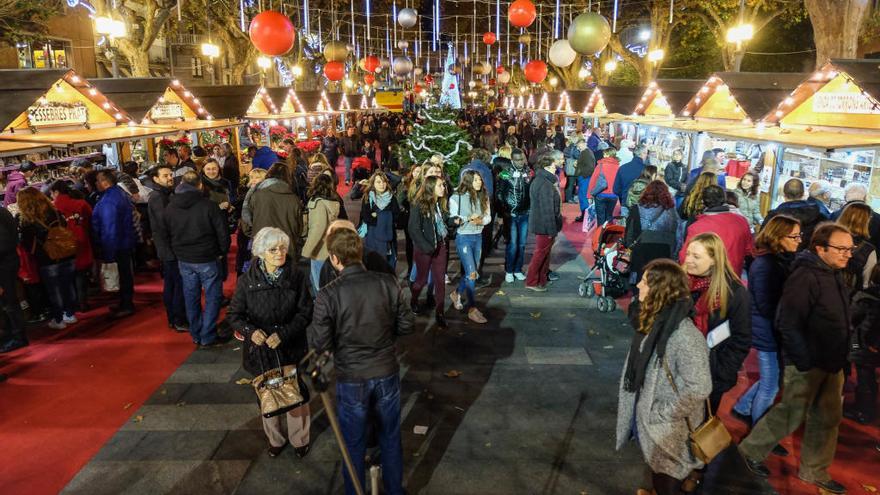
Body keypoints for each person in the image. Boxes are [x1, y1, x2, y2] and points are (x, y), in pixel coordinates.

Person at [739, 223, 854, 495]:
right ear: (820, 248)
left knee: (827, 420)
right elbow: (787, 321)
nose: (848, 254)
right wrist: (803, 360)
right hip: (808, 362)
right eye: (841, 249)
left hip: (831, 362)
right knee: (789, 414)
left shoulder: (834, 273)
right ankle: (748, 452)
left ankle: (815, 471)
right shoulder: (806, 276)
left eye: (850, 249)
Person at [307, 227, 413, 495]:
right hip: (385, 369)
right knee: (390, 437)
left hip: (352, 376)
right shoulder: (387, 282)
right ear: (359, 252)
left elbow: (320, 343)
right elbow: (407, 324)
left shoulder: (328, 294)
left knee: (353, 443)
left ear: (334, 258)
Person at [616, 259, 711, 495]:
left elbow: (700, 387)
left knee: (667, 477)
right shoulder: (654, 320)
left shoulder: (684, 335)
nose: (638, 286)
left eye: (645, 282)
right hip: (650, 417)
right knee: (657, 470)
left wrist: (661, 412)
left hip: (669, 429)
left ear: (662, 290)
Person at [227, 227, 313, 458]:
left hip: (290, 346)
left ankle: (300, 439)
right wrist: (250, 331)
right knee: (267, 394)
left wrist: (284, 334)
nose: (279, 253)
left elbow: (305, 312)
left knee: (295, 394)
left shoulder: (296, 277)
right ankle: (275, 439)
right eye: (273, 249)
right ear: (260, 253)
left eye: (282, 248)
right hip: (260, 351)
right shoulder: (247, 281)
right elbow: (234, 315)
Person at [731, 215, 800, 452]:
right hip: (768, 331)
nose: (799, 241)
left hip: (770, 329)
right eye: (794, 236)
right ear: (778, 237)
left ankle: (743, 407)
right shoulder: (767, 264)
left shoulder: (774, 261)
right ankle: (760, 433)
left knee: (771, 379)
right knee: (771, 385)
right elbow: (765, 303)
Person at [682, 232, 751, 413]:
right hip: (678, 371)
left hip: (710, 375)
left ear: (714, 260)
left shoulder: (734, 293)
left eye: (696, 256)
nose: (688, 260)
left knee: (700, 427)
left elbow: (741, 338)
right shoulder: (679, 284)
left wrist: (722, 373)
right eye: (688, 254)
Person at [163, 172, 230, 347]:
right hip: (207, 256)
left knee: (191, 295)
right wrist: (222, 251)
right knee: (212, 296)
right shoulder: (208, 206)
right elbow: (222, 232)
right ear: (200, 185)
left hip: (184, 258)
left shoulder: (171, 207)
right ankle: (207, 334)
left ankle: (196, 332)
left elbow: (166, 232)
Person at [17, 188, 78, 330]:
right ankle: (70, 314)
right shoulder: (54, 212)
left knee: (54, 291)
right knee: (69, 286)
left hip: (47, 258)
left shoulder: (28, 221)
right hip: (67, 253)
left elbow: (27, 244)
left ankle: (58, 319)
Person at [146, 165, 188, 332]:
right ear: (156, 179)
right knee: (176, 284)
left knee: (173, 284)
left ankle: (175, 317)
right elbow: (165, 223)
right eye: (165, 176)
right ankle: (178, 318)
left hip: (169, 247)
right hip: (170, 248)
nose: (170, 177)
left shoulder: (166, 194)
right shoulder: (157, 197)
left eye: (170, 174)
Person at [408, 175, 453, 328]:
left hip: (440, 246)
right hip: (425, 249)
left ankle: (440, 313)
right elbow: (413, 228)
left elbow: (444, 221)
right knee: (421, 281)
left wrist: (455, 221)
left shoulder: (440, 203)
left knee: (440, 281)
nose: (444, 188)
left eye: (444, 185)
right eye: (440, 185)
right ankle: (413, 300)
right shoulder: (418, 204)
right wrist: (426, 247)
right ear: (431, 187)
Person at [680, 185, 753, 275]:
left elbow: (684, 257)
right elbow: (749, 250)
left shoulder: (697, 227)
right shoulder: (742, 221)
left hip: (709, 280)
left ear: (703, 202)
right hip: (734, 276)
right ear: (724, 199)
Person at [92, 170, 137, 317]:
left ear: (105, 182)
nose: (96, 184)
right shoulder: (118, 193)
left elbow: (109, 228)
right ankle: (126, 303)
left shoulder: (108, 201)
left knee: (123, 276)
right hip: (124, 241)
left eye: (97, 181)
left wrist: (108, 253)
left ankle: (126, 305)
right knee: (125, 275)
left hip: (117, 244)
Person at [449, 170, 491, 324]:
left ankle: (456, 293)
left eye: (480, 180)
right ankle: (472, 309)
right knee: (472, 274)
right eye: (475, 180)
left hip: (478, 236)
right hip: (464, 237)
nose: (479, 182)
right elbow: (453, 218)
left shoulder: (484, 196)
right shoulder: (456, 197)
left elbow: (488, 216)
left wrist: (482, 221)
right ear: (467, 181)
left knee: (470, 273)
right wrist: (468, 218)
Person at [49, 181, 94, 312]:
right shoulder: (80, 203)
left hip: (62, 244)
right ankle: (83, 302)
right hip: (81, 240)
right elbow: (91, 219)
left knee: (66, 276)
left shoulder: (52, 207)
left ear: (56, 192)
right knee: (81, 273)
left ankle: (71, 305)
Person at [624, 180, 679, 285]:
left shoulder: (636, 209)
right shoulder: (672, 212)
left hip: (641, 252)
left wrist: (630, 247)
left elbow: (629, 236)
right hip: (665, 253)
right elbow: (678, 236)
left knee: (641, 283)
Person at [846, 265, 880, 425]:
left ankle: (864, 412)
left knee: (865, 378)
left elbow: (852, 317)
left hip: (864, 344)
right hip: (874, 345)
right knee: (869, 379)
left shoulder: (865, 297)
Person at [525, 153, 563, 292]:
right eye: (554, 165)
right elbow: (548, 210)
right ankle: (532, 281)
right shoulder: (545, 183)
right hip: (544, 225)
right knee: (540, 253)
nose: (556, 167)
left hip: (542, 224)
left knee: (544, 253)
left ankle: (541, 279)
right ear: (547, 166)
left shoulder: (541, 179)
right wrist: (551, 230)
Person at [250, 163, 304, 259]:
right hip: (285, 249)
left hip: (262, 247)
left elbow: (246, 224)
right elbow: (299, 228)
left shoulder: (257, 195)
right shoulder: (293, 199)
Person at [763, 178, 827, 249]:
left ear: (784, 195)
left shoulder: (773, 218)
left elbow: (763, 242)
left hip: (776, 258)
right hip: (805, 259)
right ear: (803, 195)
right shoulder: (820, 217)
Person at [302, 174, 341, 291]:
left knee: (319, 285)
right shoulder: (331, 203)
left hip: (319, 250)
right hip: (329, 248)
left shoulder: (318, 204)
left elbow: (317, 229)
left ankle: (322, 308)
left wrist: (306, 251)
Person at [359, 171, 399, 269]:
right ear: (373, 183)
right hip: (373, 236)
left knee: (389, 264)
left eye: (384, 181)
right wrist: (383, 218)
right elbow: (366, 216)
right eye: (378, 182)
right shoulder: (368, 197)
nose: (382, 184)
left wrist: (378, 215)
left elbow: (396, 215)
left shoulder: (391, 197)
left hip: (389, 236)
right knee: (374, 264)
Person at [0, 206, 26, 353]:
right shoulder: (3, 211)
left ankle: (17, 336)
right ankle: (13, 334)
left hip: (4, 265)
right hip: (9, 261)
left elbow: (3, 244)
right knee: (9, 302)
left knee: (9, 302)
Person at [836, 202, 877, 295]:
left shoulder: (825, 236)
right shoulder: (868, 250)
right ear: (866, 221)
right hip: (846, 297)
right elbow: (865, 284)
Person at [831, 183, 880, 249]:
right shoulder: (878, 218)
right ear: (865, 197)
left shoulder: (834, 215)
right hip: (868, 256)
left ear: (845, 197)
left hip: (837, 254)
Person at [588, 148, 621, 226]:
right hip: (613, 195)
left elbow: (593, 180)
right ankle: (608, 234)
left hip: (600, 194)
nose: (603, 156)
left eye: (605, 154)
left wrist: (589, 195)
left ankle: (600, 235)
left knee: (600, 217)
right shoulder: (618, 166)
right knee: (609, 216)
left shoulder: (600, 165)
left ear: (608, 155)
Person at [612, 144, 647, 215]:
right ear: (642, 154)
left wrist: (623, 198)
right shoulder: (646, 170)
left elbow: (616, 189)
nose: (647, 155)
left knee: (625, 225)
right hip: (641, 205)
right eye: (646, 153)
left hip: (625, 203)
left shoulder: (623, 168)